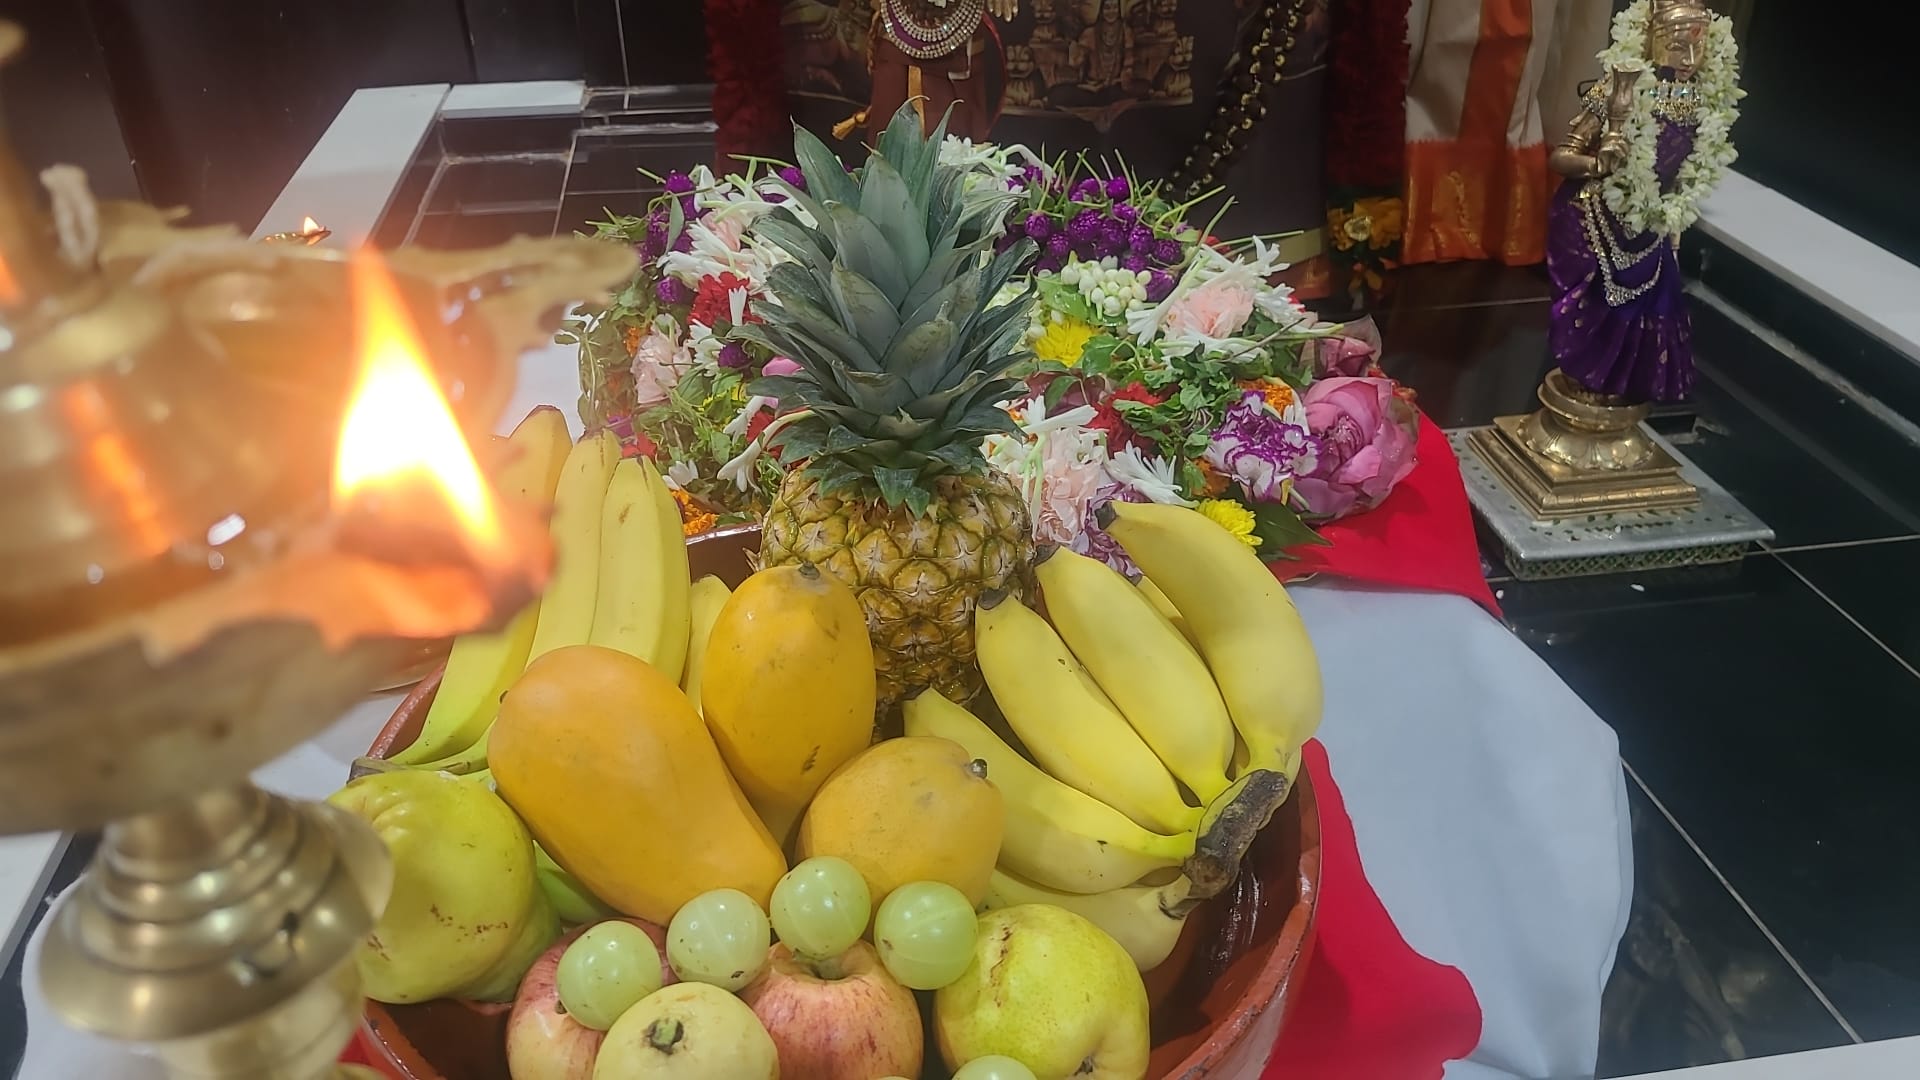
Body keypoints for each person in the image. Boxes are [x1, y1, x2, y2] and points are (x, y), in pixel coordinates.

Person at [1544, 0, 1741, 402]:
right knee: (1594, 311)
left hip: (1649, 228)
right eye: (1677, 45)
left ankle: (1616, 398)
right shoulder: (1617, 89)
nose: (1688, 60)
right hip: (1593, 218)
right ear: (1651, 39)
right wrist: (1598, 163)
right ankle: (1583, 387)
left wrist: (1673, 230)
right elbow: (1560, 158)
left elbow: (1684, 178)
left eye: (1698, 47)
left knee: (1655, 309)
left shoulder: (1706, 102)